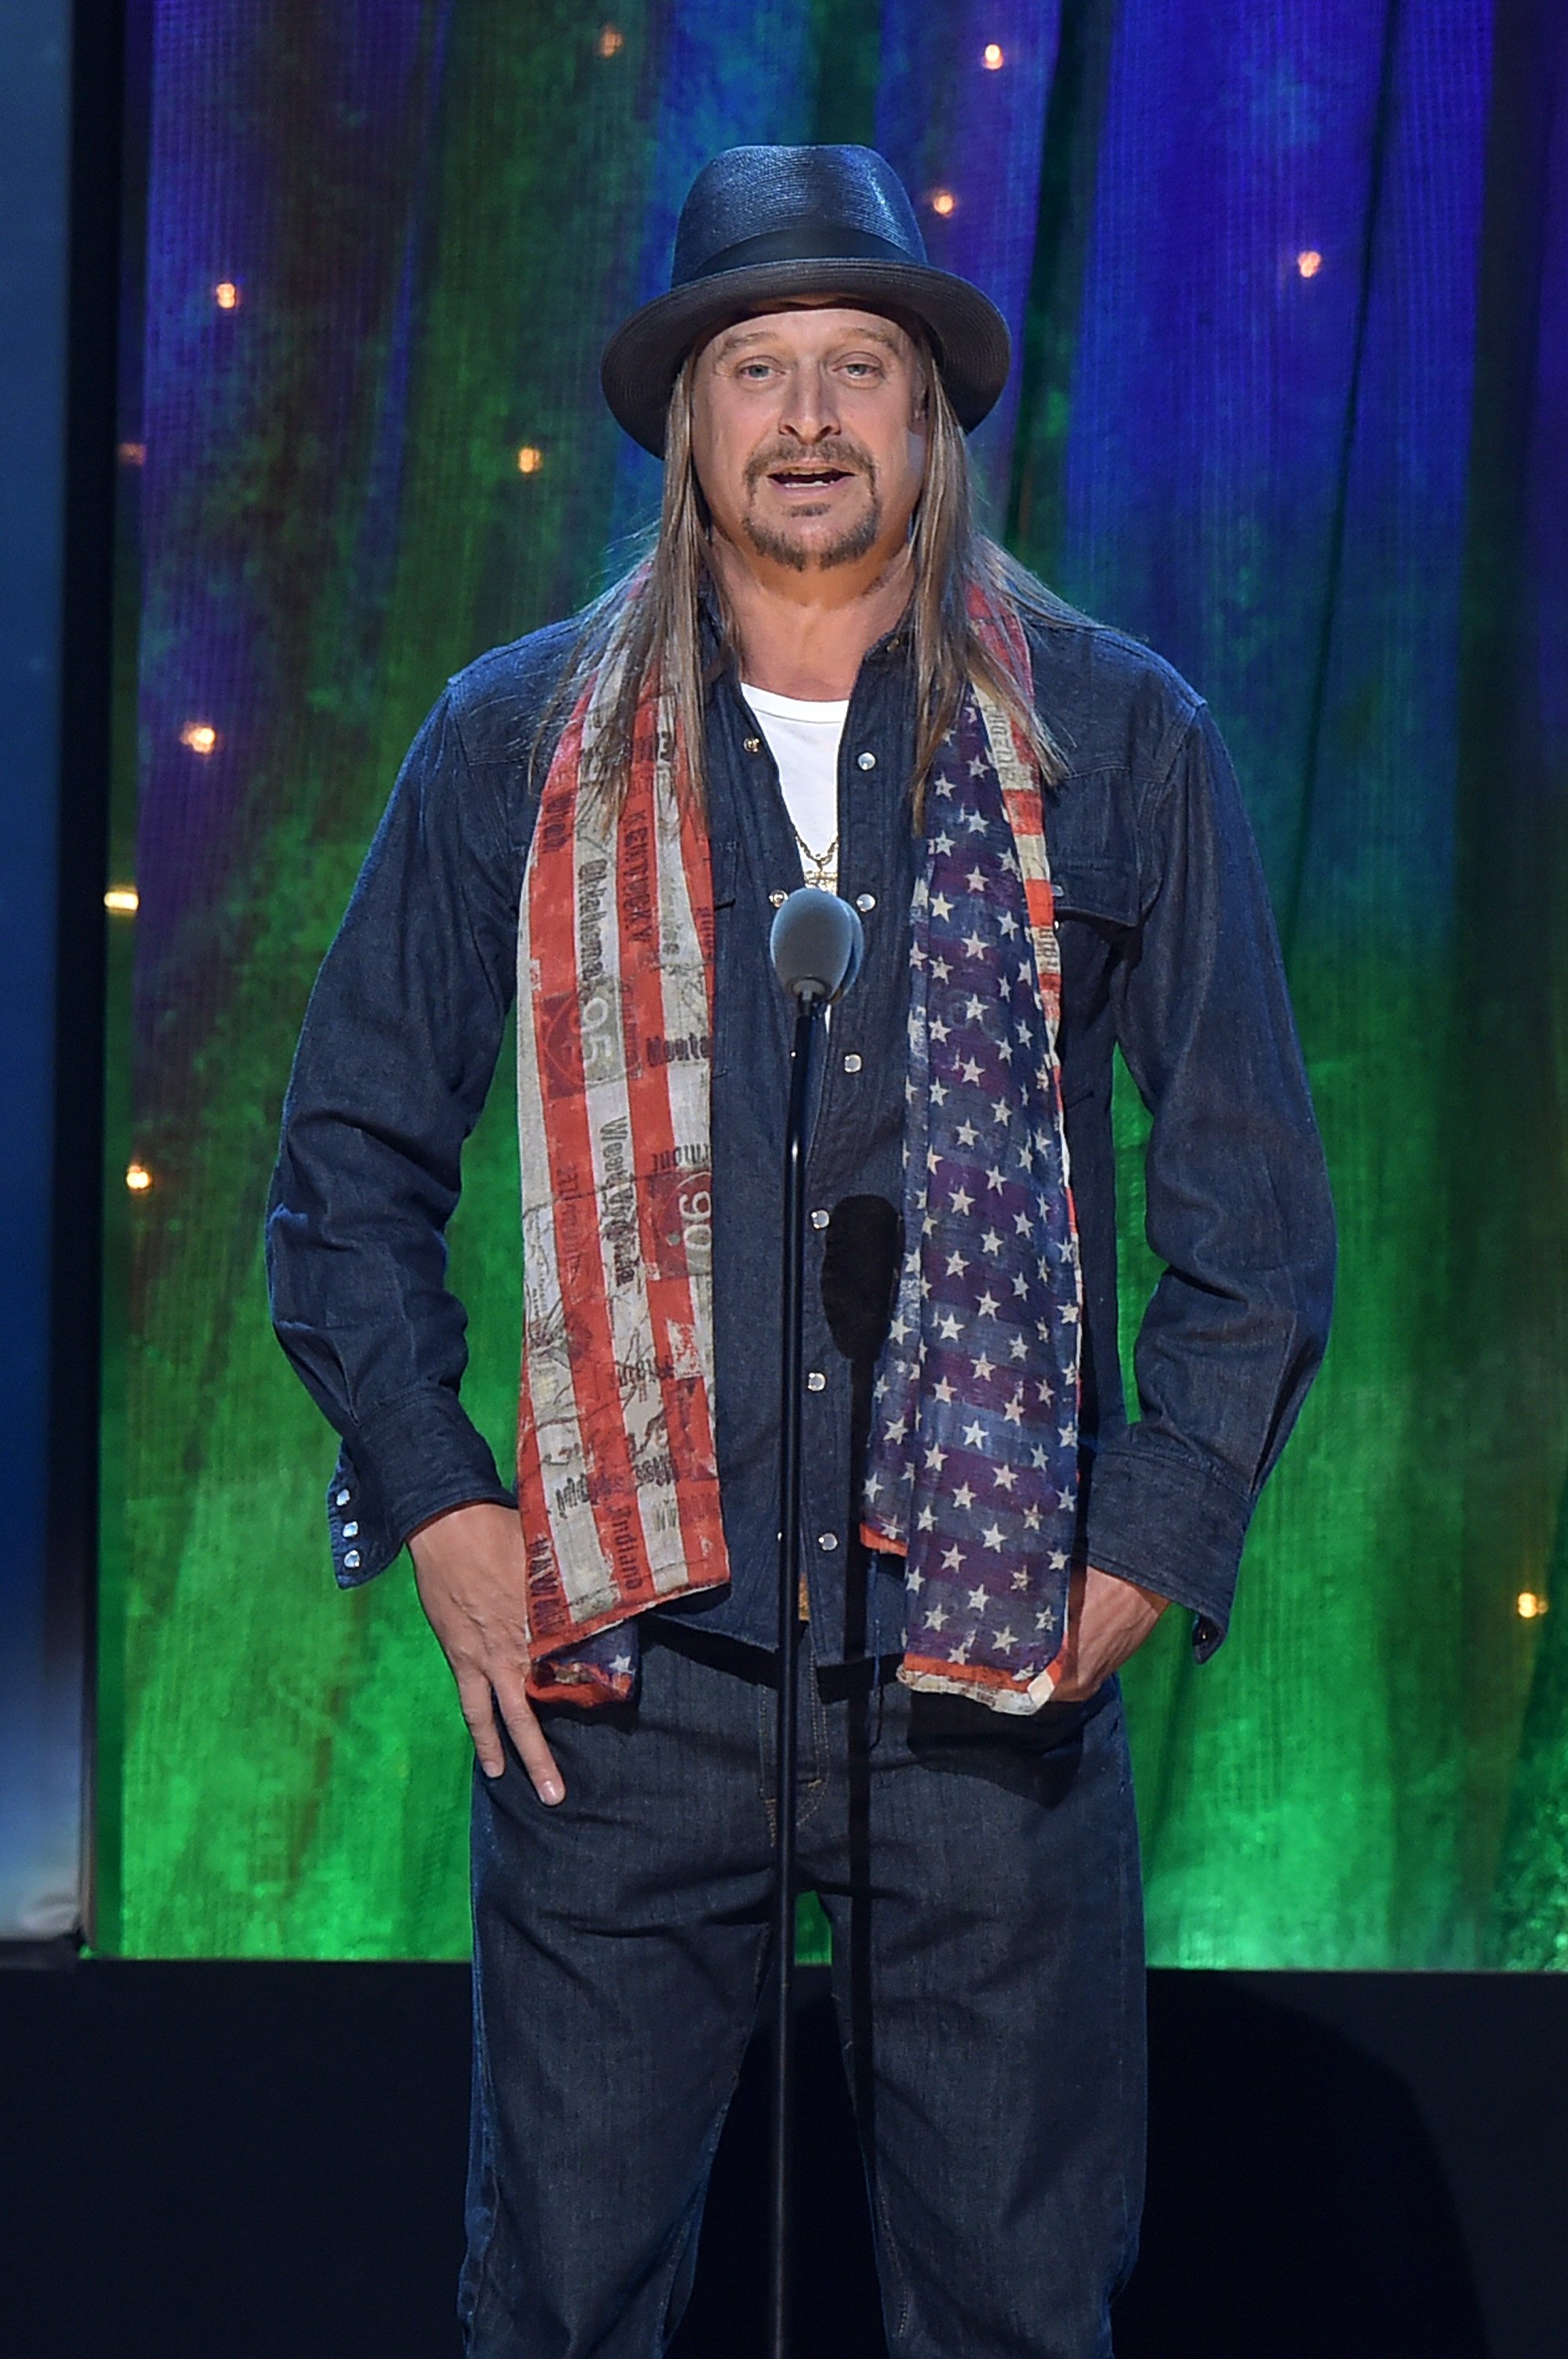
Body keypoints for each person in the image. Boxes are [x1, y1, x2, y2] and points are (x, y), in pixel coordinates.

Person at [267, 145, 1334, 2358]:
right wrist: (446, 1505)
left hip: (983, 1683)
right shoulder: (514, 747)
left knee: (1017, 2312)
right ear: (684, 417)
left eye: (861, 365)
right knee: (555, 2303)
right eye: (757, 367)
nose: (812, 415)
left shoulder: (1116, 736)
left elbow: (1252, 1218)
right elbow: (343, 1166)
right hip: (626, 1684)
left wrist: (1137, 1544)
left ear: (931, 415)